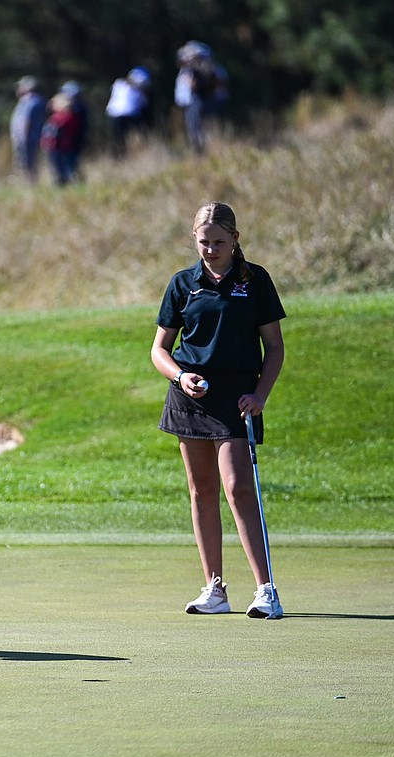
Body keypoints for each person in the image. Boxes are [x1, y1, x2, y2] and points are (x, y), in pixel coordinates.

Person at [150, 202, 286, 618]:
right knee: (201, 489)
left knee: (237, 486)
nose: (211, 250)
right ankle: (215, 588)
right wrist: (179, 377)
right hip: (190, 397)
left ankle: (266, 590)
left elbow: (275, 348)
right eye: (204, 242)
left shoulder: (254, 280)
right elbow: (159, 350)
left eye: (219, 243)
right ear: (195, 239)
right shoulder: (182, 284)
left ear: (235, 240)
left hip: (238, 399)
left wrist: (260, 395)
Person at [104, 67, 151, 158]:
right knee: (119, 139)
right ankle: (118, 156)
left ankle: (124, 156)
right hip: (120, 115)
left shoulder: (122, 85)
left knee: (125, 138)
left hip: (123, 115)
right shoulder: (120, 84)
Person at [9, 76, 46, 183]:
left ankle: (31, 183)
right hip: (24, 138)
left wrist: (22, 137)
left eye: (20, 86)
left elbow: (26, 120)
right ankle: (28, 183)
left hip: (28, 138)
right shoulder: (25, 101)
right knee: (24, 162)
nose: (18, 89)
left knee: (29, 162)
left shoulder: (33, 101)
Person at [40, 92, 82, 186]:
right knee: (56, 166)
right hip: (53, 146)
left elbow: (59, 131)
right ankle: (60, 181)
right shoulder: (55, 116)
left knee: (66, 167)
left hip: (62, 146)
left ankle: (68, 181)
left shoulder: (68, 117)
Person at [60, 81, 89, 179]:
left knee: (72, 160)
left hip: (75, 139)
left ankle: (73, 178)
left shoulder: (78, 107)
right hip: (69, 139)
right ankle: (70, 177)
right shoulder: (77, 106)